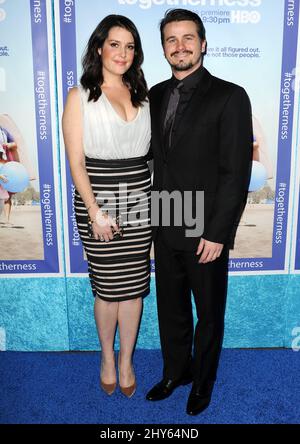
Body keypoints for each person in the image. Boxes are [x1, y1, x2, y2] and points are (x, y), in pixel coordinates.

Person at [146, 9, 253, 415]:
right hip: (165, 217)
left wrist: (218, 233)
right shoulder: (154, 95)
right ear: (164, 49)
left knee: (208, 312)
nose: (180, 46)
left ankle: (202, 383)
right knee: (170, 307)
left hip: (205, 227)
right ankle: (177, 371)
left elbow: (235, 172)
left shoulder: (230, 96)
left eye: (188, 38)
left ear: (203, 43)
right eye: (171, 40)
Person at [62, 15, 151, 398]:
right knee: (108, 288)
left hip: (142, 198)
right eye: (115, 44)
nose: (123, 53)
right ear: (99, 47)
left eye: (130, 46)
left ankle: (127, 361)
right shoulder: (79, 95)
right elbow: (76, 161)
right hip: (98, 198)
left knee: (133, 288)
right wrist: (95, 211)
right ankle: (106, 359)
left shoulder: (143, 95)